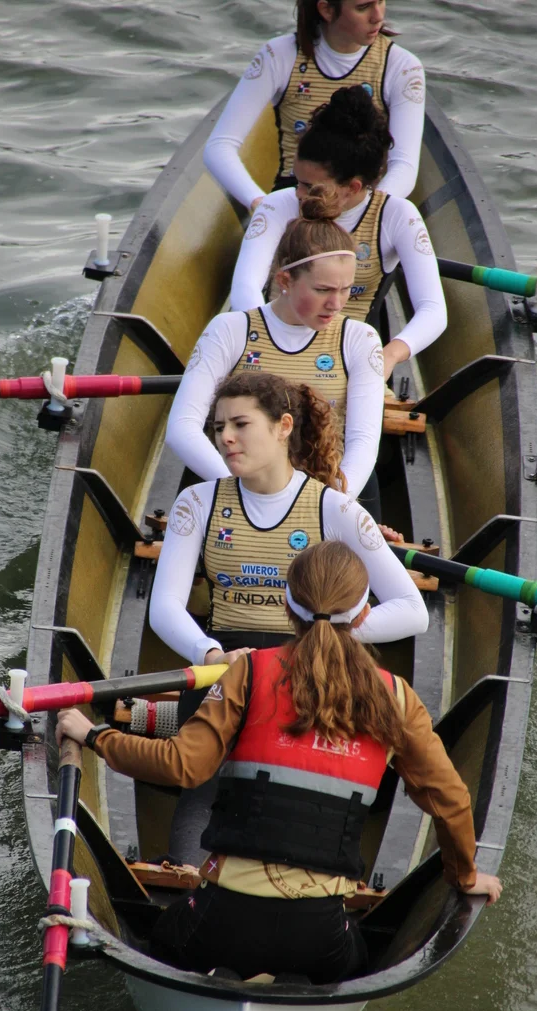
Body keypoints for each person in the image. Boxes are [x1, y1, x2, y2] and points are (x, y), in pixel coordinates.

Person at [57, 541, 502, 984]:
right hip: (321, 942)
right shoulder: (398, 698)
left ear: (287, 609)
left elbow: (181, 766)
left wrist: (95, 735)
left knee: (160, 935)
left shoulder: (248, 672)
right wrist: (464, 877)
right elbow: (451, 800)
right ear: (365, 614)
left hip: (219, 926)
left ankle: (218, 976)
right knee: (363, 953)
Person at [154, 370, 427, 674]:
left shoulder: (335, 509)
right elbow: (165, 605)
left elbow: (412, 610)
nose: (225, 437)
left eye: (241, 424)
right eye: (219, 428)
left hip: (308, 667)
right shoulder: (196, 502)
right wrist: (211, 655)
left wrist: (330, 630)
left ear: (283, 426)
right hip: (226, 667)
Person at [165, 186, 385, 506]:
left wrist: (330, 502)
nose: (336, 304)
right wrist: (247, 490)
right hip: (234, 485)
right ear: (284, 281)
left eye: (345, 289)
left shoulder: (360, 339)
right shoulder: (230, 330)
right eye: (323, 290)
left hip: (325, 492)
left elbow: (363, 441)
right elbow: (182, 428)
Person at [230, 85, 446, 380]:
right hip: (270, 349)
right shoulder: (277, 205)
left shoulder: (397, 216)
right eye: (297, 180)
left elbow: (433, 310)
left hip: (348, 360)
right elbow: (245, 287)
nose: (298, 193)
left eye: (309, 186)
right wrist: (268, 347)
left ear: (353, 187)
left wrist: (388, 356)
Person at [203, 0, 425, 209]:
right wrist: (260, 204)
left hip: (361, 198)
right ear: (326, 9)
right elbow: (219, 146)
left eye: (381, 1)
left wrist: (368, 211)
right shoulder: (279, 55)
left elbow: (404, 165)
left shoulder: (402, 67)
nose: (378, 16)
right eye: (363, 7)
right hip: (297, 195)